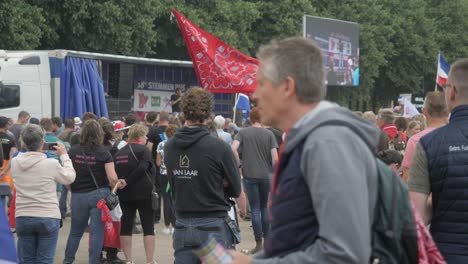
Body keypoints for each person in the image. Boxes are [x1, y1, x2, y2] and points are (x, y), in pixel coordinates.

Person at [229, 37, 380, 263]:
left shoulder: (328, 144)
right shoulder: (312, 140)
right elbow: (298, 240)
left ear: (287, 87)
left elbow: (344, 254)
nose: (255, 95)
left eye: (262, 84)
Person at [164, 87, 241, 264]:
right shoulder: (219, 147)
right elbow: (236, 189)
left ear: (184, 111)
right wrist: (219, 183)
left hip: (183, 226)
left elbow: (174, 185)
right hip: (212, 227)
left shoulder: (170, 146)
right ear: (208, 113)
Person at [409, 59, 468, 263]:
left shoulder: (428, 143)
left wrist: (442, 197)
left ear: (451, 92)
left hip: (445, 255)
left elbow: (417, 217)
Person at [11, 124, 76, 263]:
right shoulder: (51, 163)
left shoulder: (15, 162)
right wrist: (64, 155)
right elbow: (70, 177)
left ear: (23, 141)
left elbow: (25, 156)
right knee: (45, 260)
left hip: (23, 215)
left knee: (26, 260)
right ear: (42, 142)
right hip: (47, 215)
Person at [63, 120, 125, 264]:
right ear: (99, 134)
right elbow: (112, 179)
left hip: (78, 195)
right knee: (97, 233)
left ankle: (68, 260)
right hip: (99, 197)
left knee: (75, 232)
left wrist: (73, 188)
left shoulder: (73, 151)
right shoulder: (104, 153)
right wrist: (119, 183)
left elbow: (67, 176)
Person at [231, 108, 278, 254]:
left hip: (249, 175)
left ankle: (258, 244)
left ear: (250, 119)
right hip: (266, 176)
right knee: (265, 208)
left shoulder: (243, 132)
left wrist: (239, 165)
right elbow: (275, 158)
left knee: (255, 209)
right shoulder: (269, 134)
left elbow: (233, 149)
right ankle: (268, 243)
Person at [114, 124, 157, 264]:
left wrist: (124, 182)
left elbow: (116, 173)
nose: (146, 138)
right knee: (148, 227)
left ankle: (129, 260)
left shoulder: (119, 153)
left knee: (126, 227)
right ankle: (150, 261)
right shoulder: (143, 150)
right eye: (145, 136)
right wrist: (128, 180)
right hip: (144, 193)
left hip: (125, 194)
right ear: (139, 136)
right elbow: (144, 167)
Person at [402, 92, 448, 182]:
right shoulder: (461, 138)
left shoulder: (415, 140)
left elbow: (407, 177)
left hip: (423, 194)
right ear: (447, 112)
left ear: (424, 112)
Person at [147, 111, 170, 223]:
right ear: (168, 119)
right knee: (170, 193)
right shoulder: (173, 130)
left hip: (157, 165)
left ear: (159, 119)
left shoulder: (153, 130)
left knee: (157, 191)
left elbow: (148, 148)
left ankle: (156, 217)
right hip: (171, 166)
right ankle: (170, 217)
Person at [156, 124, 177, 235]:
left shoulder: (161, 144)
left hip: (164, 174)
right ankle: (174, 225)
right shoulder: (178, 144)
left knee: (166, 199)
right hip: (175, 174)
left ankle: (167, 226)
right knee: (174, 198)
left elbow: (158, 162)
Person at [0, 116, 18, 207]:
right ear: (6, 125)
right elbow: (13, 157)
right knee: (7, 192)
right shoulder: (10, 138)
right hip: (6, 169)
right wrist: (4, 171)